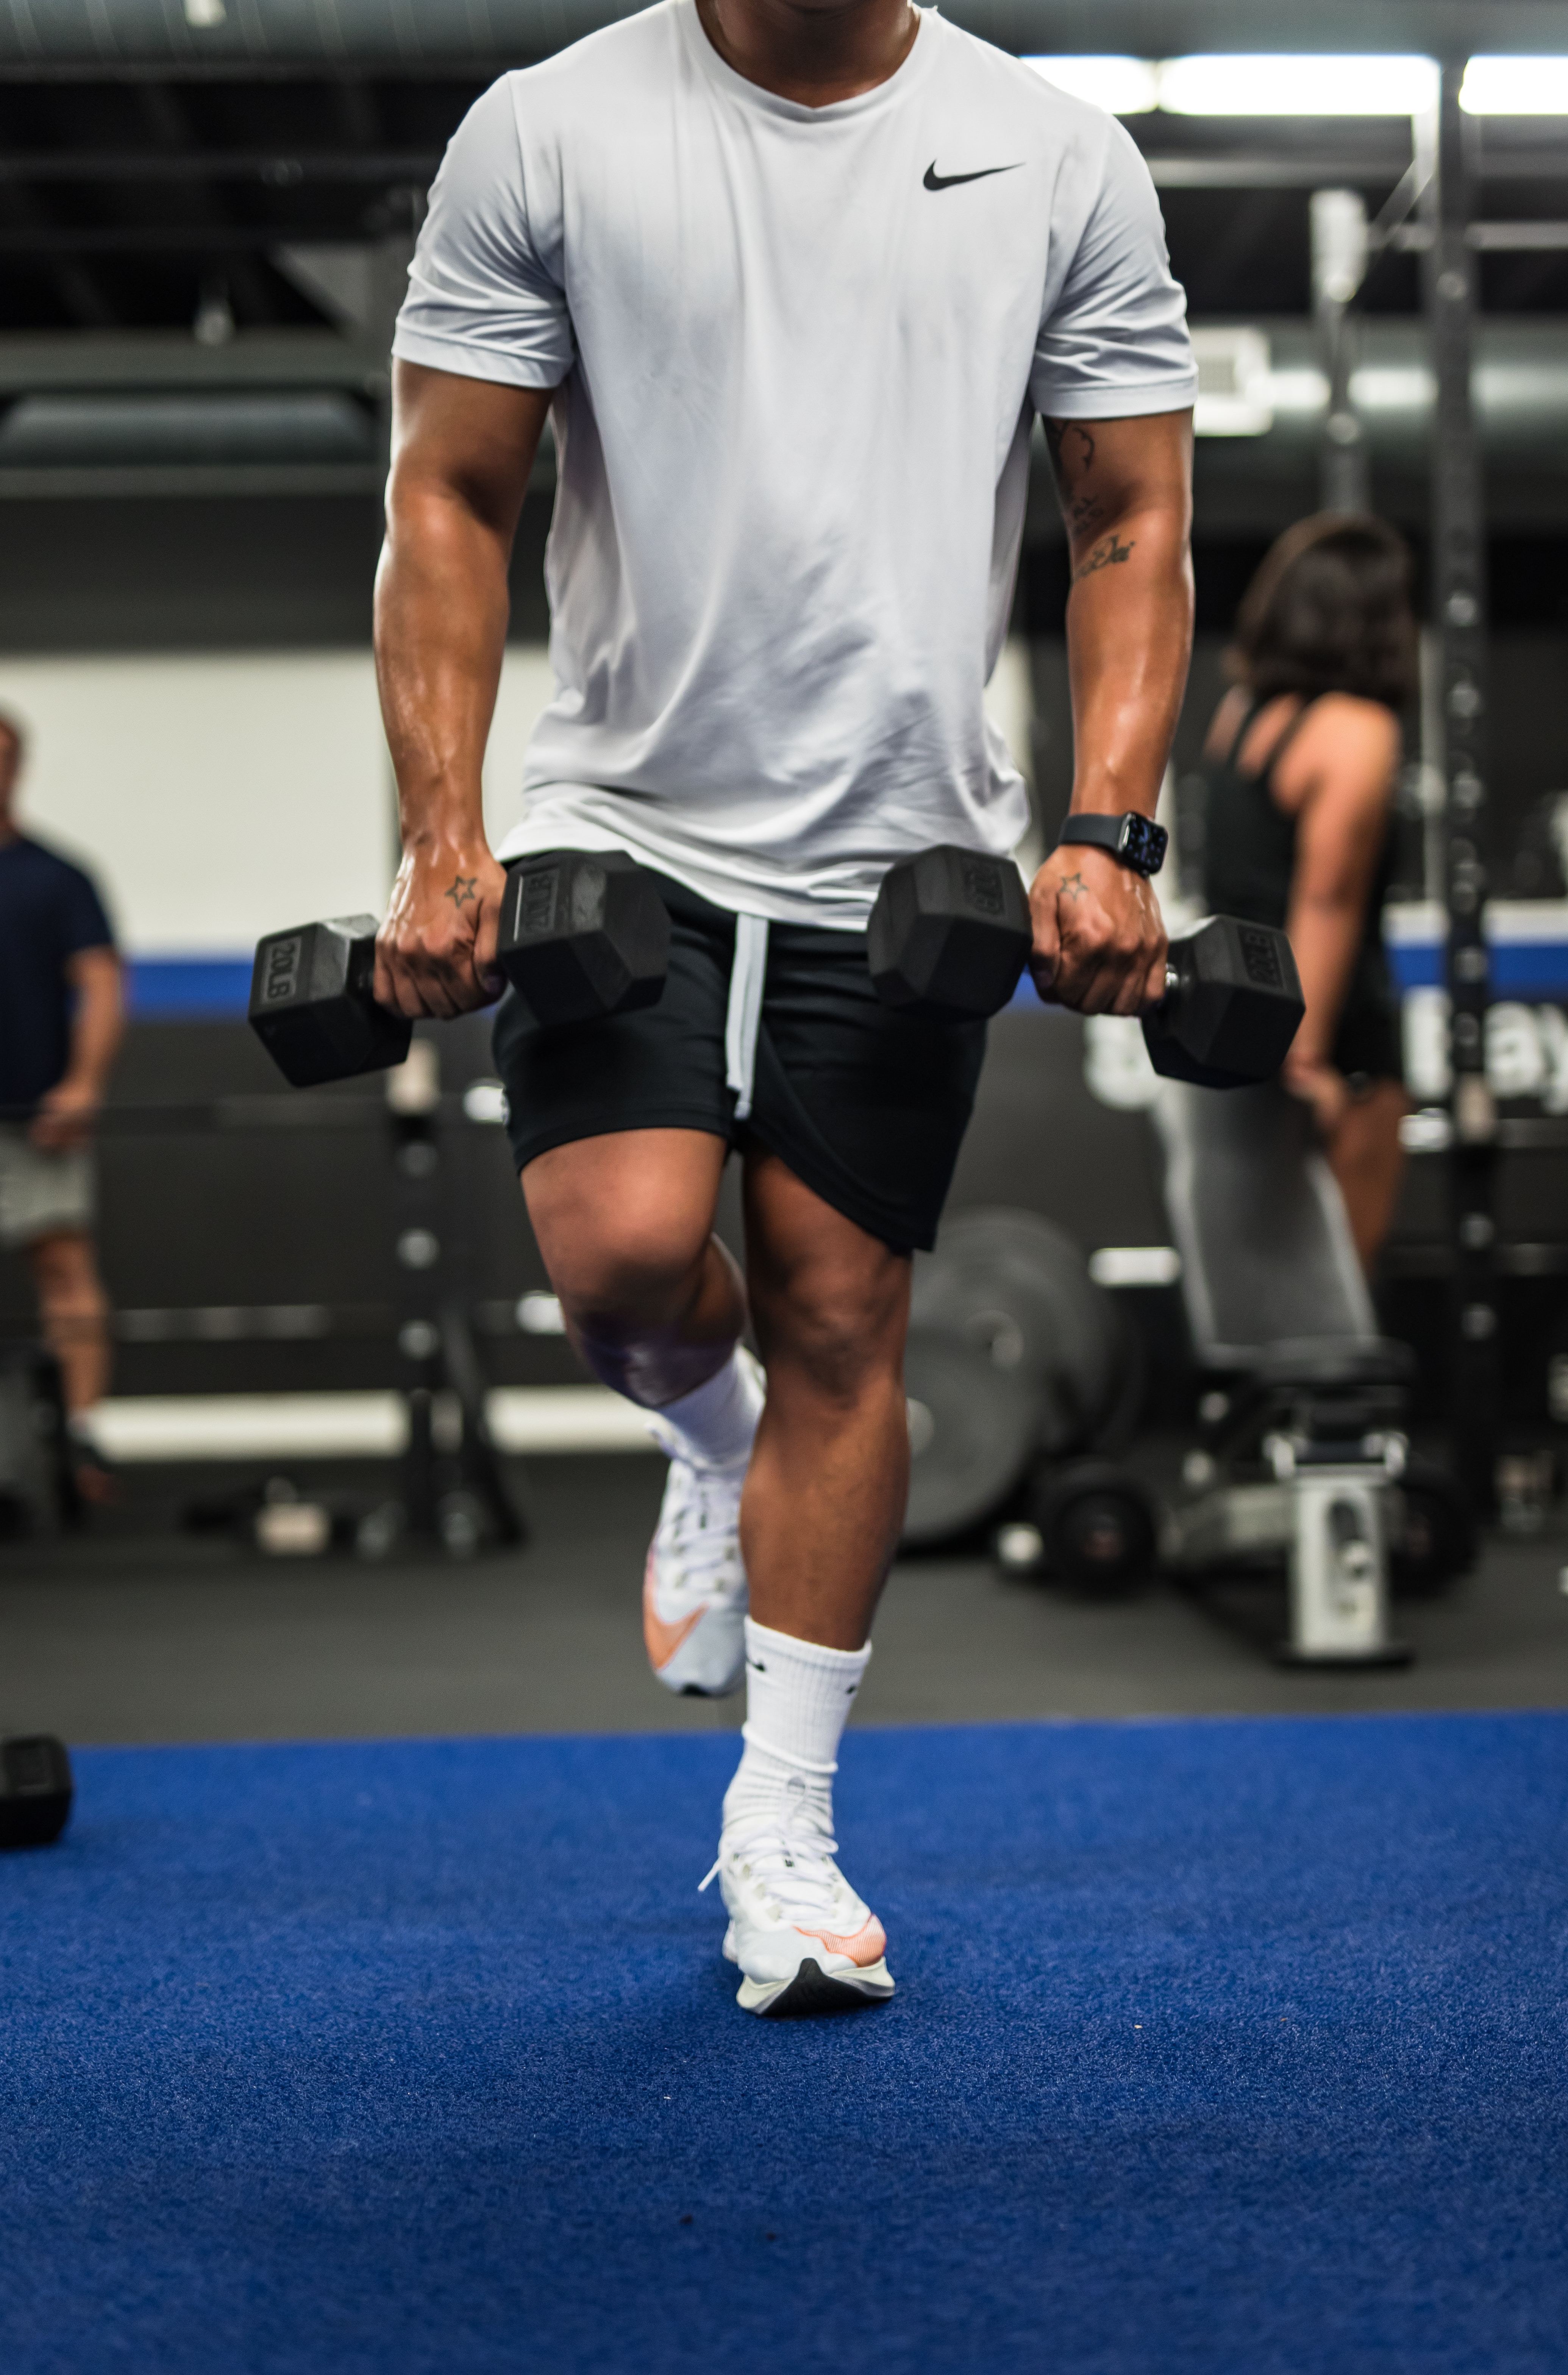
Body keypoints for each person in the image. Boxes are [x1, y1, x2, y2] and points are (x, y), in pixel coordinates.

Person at [373, 0, 1196, 2015]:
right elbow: (450, 495)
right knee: (629, 1265)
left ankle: (784, 1830)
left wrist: (1107, 828)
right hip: (623, 819)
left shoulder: (1054, 152)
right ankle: (710, 1444)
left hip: (906, 841)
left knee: (844, 1314)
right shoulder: (550, 129)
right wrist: (441, 831)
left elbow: (1128, 516)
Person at [1197, 514, 1415, 1271]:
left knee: (1258, 1290)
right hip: (1332, 1053)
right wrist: (1305, 1066)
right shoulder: (1357, 731)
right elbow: (1326, 903)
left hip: (1239, 1036)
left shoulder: (1240, 713)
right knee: (1334, 1299)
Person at [0, 709, 124, 1499]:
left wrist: (82, 1086)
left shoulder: (58, 878)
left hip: (33, 1117)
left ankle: (79, 1440)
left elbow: (102, 984)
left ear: (17, 769)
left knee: (64, 1268)